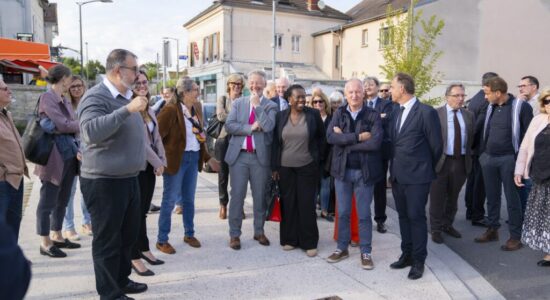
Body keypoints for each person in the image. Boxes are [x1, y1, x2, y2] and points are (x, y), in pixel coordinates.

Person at [78, 49, 149, 299]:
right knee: (108, 240)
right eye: (134, 69)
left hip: (128, 178)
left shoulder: (127, 96)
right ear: (118, 70)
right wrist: (127, 110)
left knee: (127, 236)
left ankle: (121, 280)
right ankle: (109, 293)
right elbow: (90, 132)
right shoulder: (96, 97)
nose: (138, 74)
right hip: (104, 181)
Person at [388, 73, 442, 280]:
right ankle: (407, 254)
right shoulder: (395, 111)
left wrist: (424, 168)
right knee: (403, 217)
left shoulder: (426, 112)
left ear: (402, 88)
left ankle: (419, 260)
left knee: (416, 217)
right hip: (398, 176)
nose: (390, 90)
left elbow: (436, 147)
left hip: (419, 177)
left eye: (392, 87)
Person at [156, 77, 218, 254]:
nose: (198, 93)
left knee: (189, 200)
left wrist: (207, 158)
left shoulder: (195, 108)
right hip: (177, 160)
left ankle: (189, 234)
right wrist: (160, 159)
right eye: (196, 90)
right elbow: (157, 136)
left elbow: (199, 137)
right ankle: (162, 240)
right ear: (185, 93)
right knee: (169, 201)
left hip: (193, 158)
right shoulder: (170, 110)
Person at [325, 78, 383, 270]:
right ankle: (342, 248)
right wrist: (357, 138)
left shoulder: (372, 115)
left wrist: (346, 142)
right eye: (350, 92)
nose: (354, 95)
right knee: (342, 212)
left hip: (364, 173)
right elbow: (331, 137)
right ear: (345, 94)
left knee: (364, 214)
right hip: (342, 172)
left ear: (363, 93)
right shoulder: (339, 113)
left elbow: (375, 143)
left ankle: (366, 251)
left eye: (358, 92)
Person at [475, 76, 533, 251]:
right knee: (492, 197)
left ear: (498, 93)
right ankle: (492, 229)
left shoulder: (521, 107)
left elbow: (528, 137)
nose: (485, 97)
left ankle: (515, 236)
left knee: (512, 199)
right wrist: (483, 155)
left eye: (487, 93)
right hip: (489, 158)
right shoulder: (491, 106)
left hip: (509, 159)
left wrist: (521, 163)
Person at [225, 70, 277, 250]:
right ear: (248, 85)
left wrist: (257, 107)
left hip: (259, 157)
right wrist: (250, 127)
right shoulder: (238, 103)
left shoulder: (270, 106)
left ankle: (259, 231)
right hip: (239, 156)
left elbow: (269, 126)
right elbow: (229, 125)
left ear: (264, 85)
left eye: (259, 83)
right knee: (237, 196)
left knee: (260, 196)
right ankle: (234, 234)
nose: (255, 86)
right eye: (252, 83)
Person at [271, 84, 325, 257]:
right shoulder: (280, 116)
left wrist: (318, 162)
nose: (302, 100)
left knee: (306, 204)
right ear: (289, 99)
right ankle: (289, 239)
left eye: (304, 96)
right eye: (298, 97)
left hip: (307, 166)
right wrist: (274, 167)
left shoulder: (313, 115)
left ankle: (309, 242)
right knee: (288, 204)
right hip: (285, 168)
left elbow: (322, 140)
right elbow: (275, 143)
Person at [35, 64, 81, 258]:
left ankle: (57, 235)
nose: (70, 82)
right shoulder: (47, 98)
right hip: (53, 156)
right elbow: (63, 124)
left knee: (63, 199)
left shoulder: (64, 99)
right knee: (47, 201)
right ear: (63, 79)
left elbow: (65, 126)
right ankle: (45, 242)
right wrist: (82, 123)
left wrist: (69, 126)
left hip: (69, 154)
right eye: (69, 79)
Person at [131, 71, 166, 276]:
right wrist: (157, 161)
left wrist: (162, 160)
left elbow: (157, 138)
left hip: (150, 168)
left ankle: (144, 249)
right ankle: (133, 255)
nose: (142, 85)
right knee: (135, 214)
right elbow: (140, 142)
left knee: (143, 211)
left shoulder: (150, 108)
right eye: (137, 83)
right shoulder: (131, 109)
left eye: (144, 82)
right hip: (136, 166)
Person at [429, 83, 474, 244]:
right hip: (441, 162)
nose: (461, 99)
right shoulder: (436, 114)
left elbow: (471, 139)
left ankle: (447, 224)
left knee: (453, 197)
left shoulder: (469, 115)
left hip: (461, 161)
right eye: (457, 96)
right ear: (447, 97)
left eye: (463, 95)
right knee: (437, 197)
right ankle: (435, 228)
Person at [514, 88, 550, 267]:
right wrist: (519, 170)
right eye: (547, 102)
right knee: (544, 216)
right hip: (540, 176)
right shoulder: (538, 120)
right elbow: (525, 147)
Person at [465, 72, 498, 226]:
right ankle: (477, 215)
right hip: (480, 148)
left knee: (472, 181)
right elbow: (478, 126)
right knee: (480, 184)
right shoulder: (485, 101)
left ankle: (470, 211)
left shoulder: (476, 98)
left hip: (474, 148)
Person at [62, 75, 92, 241]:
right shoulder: (65, 105)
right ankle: (69, 227)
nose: (76, 89)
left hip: (88, 150)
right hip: (70, 151)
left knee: (86, 189)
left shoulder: (88, 103)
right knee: (70, 191)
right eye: (73, 86)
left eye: (79, 85)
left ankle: (87, 222)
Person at [364, 76, 394, 233]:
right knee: (362, 186)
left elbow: (387, 121)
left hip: (381, 152)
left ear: (377, 87)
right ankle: (362, 218)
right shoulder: (360, 103)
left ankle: (380, 220)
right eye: (365, 85)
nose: (367, 87)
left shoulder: (387, 104)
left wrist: (371, 120)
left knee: (379, 187)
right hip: (363, 151)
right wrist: (378, 117)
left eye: (371, 84)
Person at [0, 79, 29, 241]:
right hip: (3, 181)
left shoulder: (6, 114)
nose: (9, 91)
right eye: (4, 88)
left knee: (12, 227)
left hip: (16, 179)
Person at [216, 73, 245, 220]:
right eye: (233, 84)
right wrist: (237, 120)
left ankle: (238, 206)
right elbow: (220, 116)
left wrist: (233, 119)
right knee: (223, 175)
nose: (236, 86)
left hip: (239, 141)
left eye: (239, 84)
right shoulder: (223, 99)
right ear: (228, 85)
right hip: (224, 140)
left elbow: (247, 119)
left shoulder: (245, 101)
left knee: (238, 176)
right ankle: (223, 204)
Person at [516, 75, 540, 215]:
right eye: (519, 86)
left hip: (535, 150)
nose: (520, 88)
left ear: (534, 86)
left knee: (530, 184)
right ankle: (523, 212)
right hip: (523, 148)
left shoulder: (540, 103)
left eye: (523, 86)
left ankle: (529, 215)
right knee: (522, 182)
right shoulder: (522, 101)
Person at [311, 89, 333, 221]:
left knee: (325, 185)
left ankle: (324, 210)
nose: (318, 104)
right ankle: (312, 210)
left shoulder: (331, 118)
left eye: (320, 101)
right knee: (313, 185)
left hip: (328, 156)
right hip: (312, 157)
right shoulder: (309, 117)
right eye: (315, 102)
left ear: (325, 103)